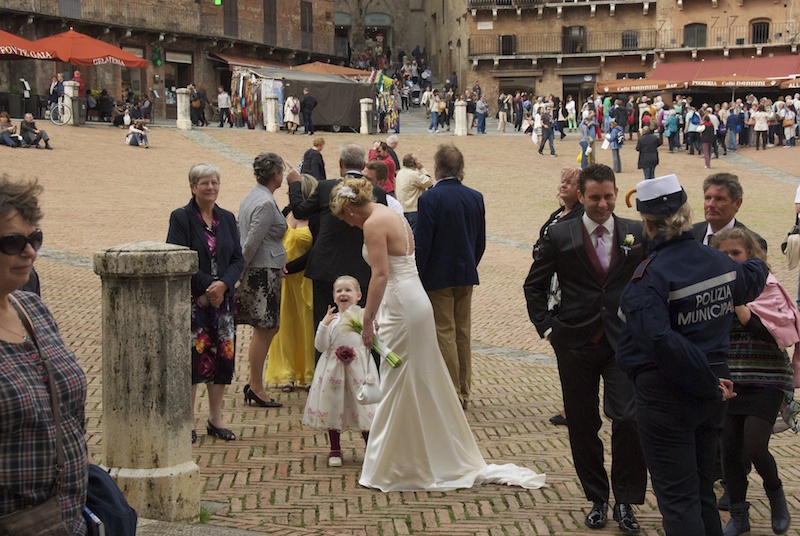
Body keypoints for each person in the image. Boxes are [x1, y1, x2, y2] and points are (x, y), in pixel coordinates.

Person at [329, 177, 545, 492]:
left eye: (344, 218)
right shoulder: (392, 213)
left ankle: (400, 464)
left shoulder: (373, 224)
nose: (348, 224)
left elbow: (380, 274)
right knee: (415, 380)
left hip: (400, 305)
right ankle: (416, 455)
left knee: (398, 382)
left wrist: (368, 318)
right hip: (414, 298)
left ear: (349, 208)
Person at [616, 174, 769, 536]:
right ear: (685, 213)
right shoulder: (717, 262)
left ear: (648, 225)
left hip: (670, 398)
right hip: (713, 397)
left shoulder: (649, 276)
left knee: (678, 500)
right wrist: (759, 256)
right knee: (701, 494)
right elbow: (752, 278)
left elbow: (657, 340)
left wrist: (705, 379)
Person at [524, 163, 648, 533]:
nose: (603, 204)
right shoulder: (561, 235)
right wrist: (547, 328)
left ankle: (626, 500)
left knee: (628, 418)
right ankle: (597, 497)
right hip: (575, 343)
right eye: (595, 197)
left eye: (609, 196)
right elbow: (534, 284)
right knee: (582, 423)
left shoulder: (635, 233)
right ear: (581, 196)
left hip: (622, 343)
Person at [0, 175, 89, 534]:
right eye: (12, 242)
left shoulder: (32, 309)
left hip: (67, 519)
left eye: (34, 238)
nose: (30, 252)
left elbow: (69, 411)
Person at [711, 228, 794, 536]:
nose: (729, 259)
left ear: (751, 256)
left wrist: (741, 308)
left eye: (736, 253)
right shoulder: (712, 288)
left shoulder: (768, 287)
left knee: (755, 445)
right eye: (723, 254)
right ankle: (739, 515)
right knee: (729, 449)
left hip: (766, 376)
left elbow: (775, 335)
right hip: (731, 377)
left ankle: (777, 497)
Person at [287, 144, 388, 365]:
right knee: (366, 322)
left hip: (326, 266)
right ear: (363, 166)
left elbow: (300, 210)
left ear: (340, 164)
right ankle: (369, 376)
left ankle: (323, 377)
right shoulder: (378, 192)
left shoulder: (325, 187)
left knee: (324, 323)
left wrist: (295, 184)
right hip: (362, 268)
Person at [166, 163, 244, 443]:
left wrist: (223, 284)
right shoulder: (181, 218)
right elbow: (177, 257)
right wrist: (208, 285)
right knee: (193, 361)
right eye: (204, 183)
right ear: (192, 187)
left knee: (223, 359)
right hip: (195, 302)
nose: (210, 187)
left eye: (214, 182)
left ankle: (216, 418)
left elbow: (238, 258)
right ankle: (186, 422)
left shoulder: (227, 218)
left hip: (223, 303)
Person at [415, 145, 485, 410]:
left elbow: (423, 243)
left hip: (438, 274)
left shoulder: (430, 199)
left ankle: (452, 391)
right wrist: (470, 264)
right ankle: (464, 390)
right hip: (466, 272)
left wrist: (419, 275)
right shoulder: (475, 197)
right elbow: (480, 241)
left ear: (437, 168)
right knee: (462, 332)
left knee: (445, 331)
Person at [302, 275, 377, 467]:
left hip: (358, 371)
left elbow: (372, 342)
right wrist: (324, 324)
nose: (343, 294)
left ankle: (370, 447)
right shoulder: (332, 320)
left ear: (358, 295)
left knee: (363, 406)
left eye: (348, 290)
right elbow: (320, 346)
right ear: (334, 296)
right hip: (334, 372)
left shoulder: (363, 317)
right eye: (339, 291)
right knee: (333, 406)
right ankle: (334, 448)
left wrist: (374, 329)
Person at [237, 152, 291, 408]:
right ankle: (256, 386)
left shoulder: (254, 195)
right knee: (265, 327)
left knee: (267, 327)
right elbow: (250, 243)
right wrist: (237, 273)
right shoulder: (265, 203)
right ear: (277, 174)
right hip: (261, 271)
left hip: (266, 267)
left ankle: (255, 383)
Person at [533, 167, 585, 427]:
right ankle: (572, 404)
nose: (563, 185)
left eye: (569, 182)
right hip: (551, 289)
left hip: (567, 290)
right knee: (563, 351)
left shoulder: (580, 216)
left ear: (581, 190)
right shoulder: (558, 213)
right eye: (562, 180)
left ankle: (573, 407)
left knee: (571, 353)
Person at [266, 173, 318, 392]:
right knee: (284, 326)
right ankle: (286, 373)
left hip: (305, 279)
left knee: (306, 327)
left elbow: (317, 250)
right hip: (283, 280)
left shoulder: (317, 218)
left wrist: (292, 267)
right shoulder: (286, 212)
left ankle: (308, 373)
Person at [691, 173, 768, 252]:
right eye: (708, 198)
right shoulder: (689, 235)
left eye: (719, 199)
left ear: (737, 203)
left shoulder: (754, 243)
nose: (711, 204)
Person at [394, 153, 433, 232]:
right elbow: (429, 182)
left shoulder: (400, 173)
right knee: (415, 235)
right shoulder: (414, 174)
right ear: (414, 163)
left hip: (402, 208)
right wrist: (422, 168)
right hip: (414, 209)